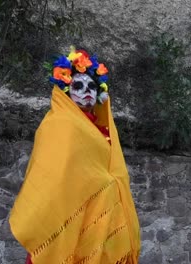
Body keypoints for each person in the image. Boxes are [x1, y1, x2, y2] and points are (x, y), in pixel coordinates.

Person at [9, 46, 141, 264]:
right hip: (70, 211)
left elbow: (112, 170)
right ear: (67, 91)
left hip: (101, 217)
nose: (87, 90)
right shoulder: (57, 124)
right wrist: (98, 182)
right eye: (78, 86)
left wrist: (108, 185)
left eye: (92, 86)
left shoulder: (104, 130)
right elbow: (55, 175)